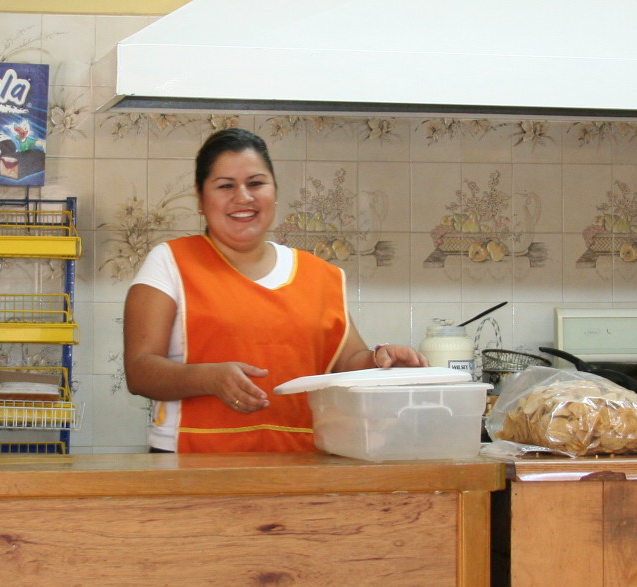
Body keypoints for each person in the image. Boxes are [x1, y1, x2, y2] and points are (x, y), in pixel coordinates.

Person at [123, 127, 424, 452]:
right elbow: (140, 370)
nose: (243, 197)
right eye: (225, 186)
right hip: (191, 462)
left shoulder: (319, 275)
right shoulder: (171, 262)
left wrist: (382, 362)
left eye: (256, 183)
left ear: (275, 192)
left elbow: (347, 363)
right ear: (200, 198)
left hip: (301, 463)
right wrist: (208, 378)